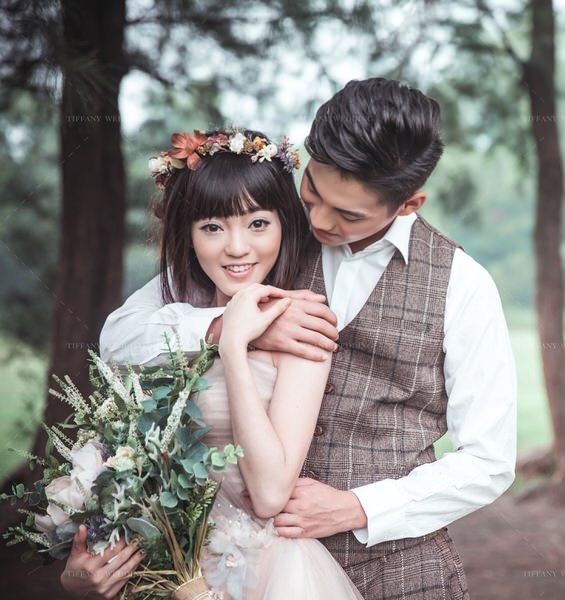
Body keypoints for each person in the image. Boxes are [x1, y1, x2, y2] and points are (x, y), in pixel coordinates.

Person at [96, 78, 517, 599]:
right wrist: (224, 328)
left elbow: (488, 460)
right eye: (312, 191)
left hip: (402, 571)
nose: (317, 220)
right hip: (247, 569)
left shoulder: (462, 285)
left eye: (348, 214)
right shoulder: (255, 234)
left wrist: (359, 507)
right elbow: (119, 338)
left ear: (409, 203)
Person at [61, 127, 362, 600]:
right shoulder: (173, 306)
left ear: (285, 224)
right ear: (188, 234)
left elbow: (269, 496)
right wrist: (223, 326)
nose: (237, 247)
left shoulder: (301, 326)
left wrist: (235, 347)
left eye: (258, 223)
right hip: (169, 563)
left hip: (263, 570)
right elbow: (115, 342)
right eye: (212, 228)